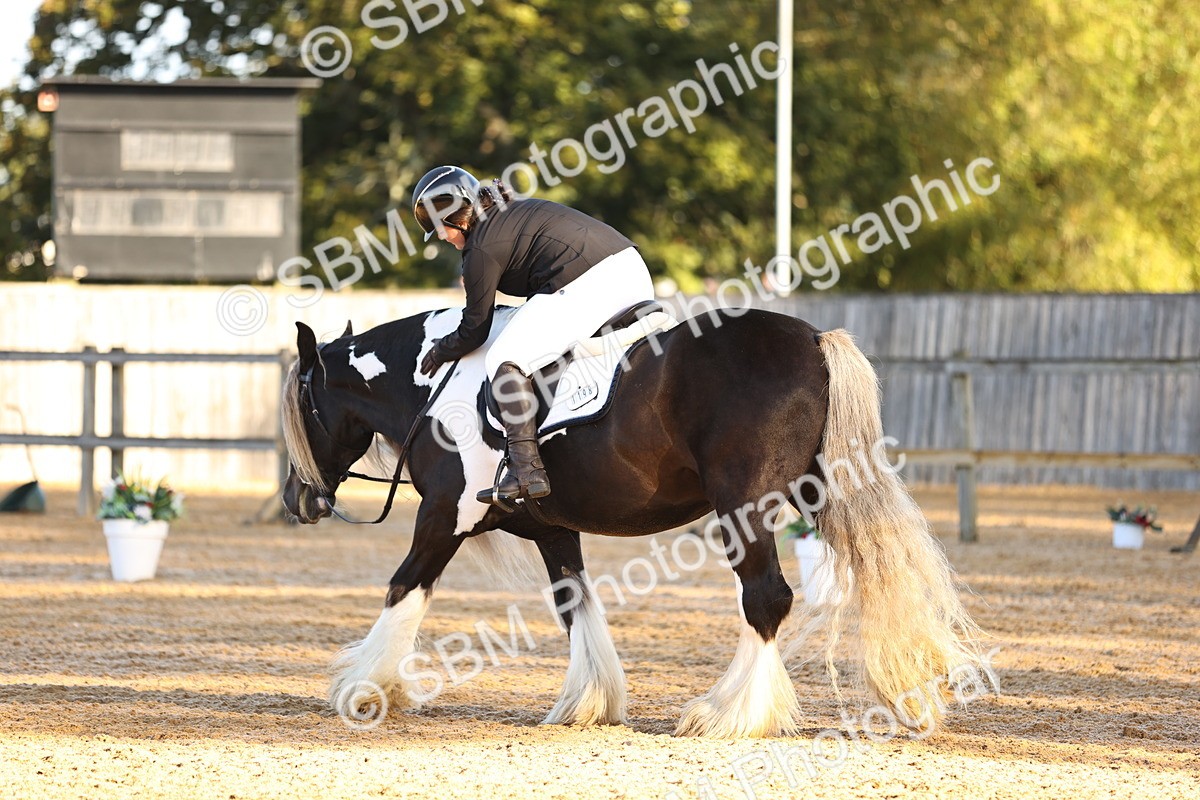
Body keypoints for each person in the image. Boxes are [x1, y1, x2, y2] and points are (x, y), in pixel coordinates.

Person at [412, 165, 655, 504]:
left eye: (440, 228)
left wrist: (440, 350)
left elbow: (475, 330)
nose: (441, 237)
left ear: (458, 217)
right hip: (633, 271)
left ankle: (526, 469)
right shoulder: (508, 211)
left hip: (591, 282)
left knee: (503, 358)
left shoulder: (479, 247)